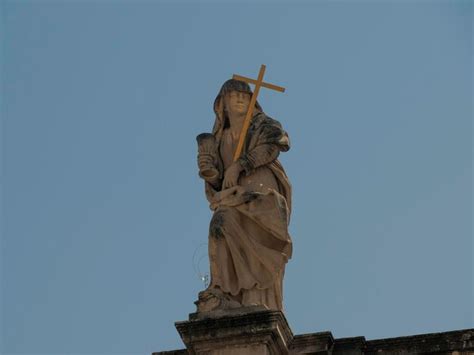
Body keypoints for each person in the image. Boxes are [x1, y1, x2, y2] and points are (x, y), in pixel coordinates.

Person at [196, 79, 292, 312]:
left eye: (244, 95)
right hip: (230, 198)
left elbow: (276, 143)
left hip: (261, 194)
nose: (240, 99)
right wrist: (209, 173)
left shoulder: (261, 125)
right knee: (220, 225)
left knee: (258, 243)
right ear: (223, 104)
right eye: (234, 95)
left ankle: (256, 298)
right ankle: (223, 291)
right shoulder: (218, 138)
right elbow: (218, 182)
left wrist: (241, 164)